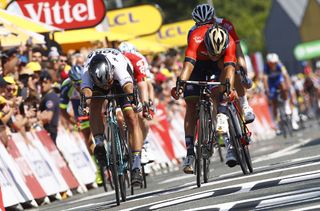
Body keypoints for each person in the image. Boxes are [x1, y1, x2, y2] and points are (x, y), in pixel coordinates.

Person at [172, 24, 238, 174]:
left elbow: (229, 70)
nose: (213, 55)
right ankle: (189, 153)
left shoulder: (230, 43)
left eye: (217, 52)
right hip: (198, 65)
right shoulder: (196, 38)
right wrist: (180, 85)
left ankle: (221, 114)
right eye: (211, 52)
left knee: (220, 88)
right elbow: (188, 66)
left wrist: (228, 89)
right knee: (190, 104)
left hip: (218, 66)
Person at [80, 48, 144, 186]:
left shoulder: (118, 66)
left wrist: (135, 102)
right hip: (98, 78)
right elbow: (86, 93)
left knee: (131, 116)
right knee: (94, 106)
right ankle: (99, 143)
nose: (106, 86)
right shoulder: (86, 72)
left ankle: (137, 164)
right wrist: (85, 104)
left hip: (120, 79)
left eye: (107, 81)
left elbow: (128, 87)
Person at [189, 4, 255, 123]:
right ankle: (217, 122)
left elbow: (237, 49)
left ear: (213, 19)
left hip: (224, 54)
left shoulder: (225, 24)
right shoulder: (192, 32)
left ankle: (245, 105)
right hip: (205, 58)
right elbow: (192, 56)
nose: (205, 27)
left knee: (236, 69)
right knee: (213, 93)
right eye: (201, 25)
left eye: (208, 23)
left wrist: (243, 70)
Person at [118, 42, 155, 164]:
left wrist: (147, 105)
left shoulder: (138, 59)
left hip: (136, 87)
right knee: (118, 115)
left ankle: (142, 143)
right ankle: (122, 145)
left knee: (141, 115)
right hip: (119, 85)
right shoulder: (116, 61)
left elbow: (145, 85)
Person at [263, 53, 291, 128]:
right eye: (271, 63)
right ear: (268, 62)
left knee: (283, 86)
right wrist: (266, 89)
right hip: (271, 83)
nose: (273, 64)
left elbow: (286, 75)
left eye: (274, 62)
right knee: (274, 103)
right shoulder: (266, 67)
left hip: (279, 80)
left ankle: (286, 105)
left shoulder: (280, 65)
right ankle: (277, 123)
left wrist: (288, 85)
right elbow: (265, 78)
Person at [38, 71, 60, 143]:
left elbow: (48, 117)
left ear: (50, 82)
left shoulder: (50, 97)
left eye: (45, 82)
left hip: (49, 130)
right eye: (41, 83)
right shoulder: (49, 95)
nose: (42, 85)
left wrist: (37, 116)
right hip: (51, 130)